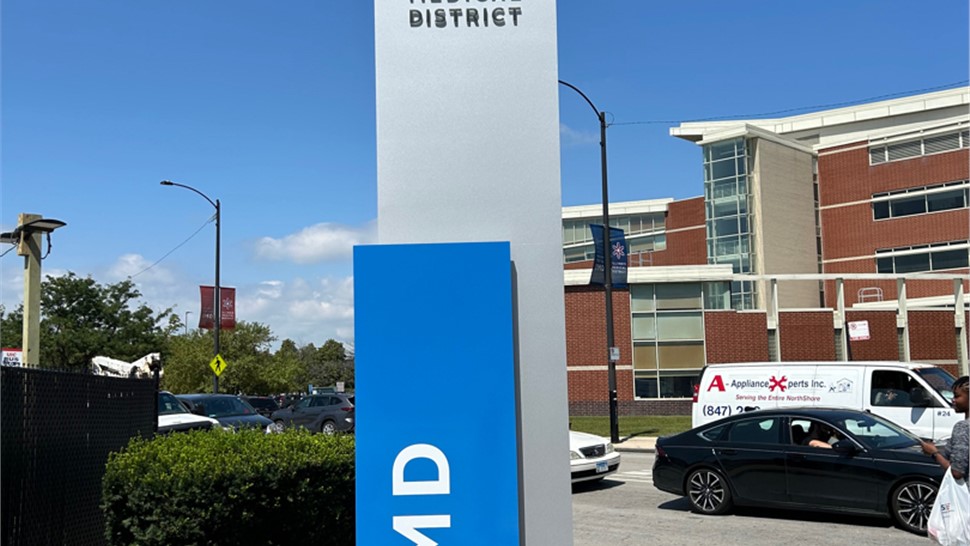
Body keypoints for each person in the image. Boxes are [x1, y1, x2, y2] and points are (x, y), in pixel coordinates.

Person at [921, 375, 969, 483]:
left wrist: (934, 453)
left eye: (957, 396)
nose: (953, 400)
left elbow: (957, 472)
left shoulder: (963, 427)